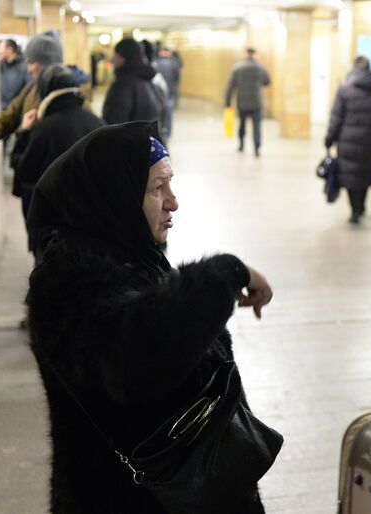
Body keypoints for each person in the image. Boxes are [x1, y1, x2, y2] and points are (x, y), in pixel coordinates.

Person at [26, 121, 280, 513]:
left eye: (170, 184)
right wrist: (226, 272)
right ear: (116, 195)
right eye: (157, 188)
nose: (173, 202)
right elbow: (141, 353)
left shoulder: (134, 256)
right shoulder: (67, 283)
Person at [11, 64, 105, 255]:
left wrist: (24, 132)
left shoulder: (44, 129)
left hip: (51, 229)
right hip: (92, 225)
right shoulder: (97, 123)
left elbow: (24, 171)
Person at [325, 55, 371, 224]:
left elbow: (336, 118)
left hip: (347, 140)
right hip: (369, 140)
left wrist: (330, 138)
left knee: (349, 175)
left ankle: (354, 209)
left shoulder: (343, 90)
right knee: (365, 173)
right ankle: (361, 205)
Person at [0, 31, 63, 144]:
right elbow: (7, 120)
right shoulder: (31, 89)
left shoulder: (73, 97)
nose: (29, 69)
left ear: (47, 64)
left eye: (32, 62)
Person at [102, 38, 163, 126]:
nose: (112, 59)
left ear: (123, 57)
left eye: (115, 55)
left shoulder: (123, 85)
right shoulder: (148, 80)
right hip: (145, 133)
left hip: (129, 134)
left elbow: (115, 121)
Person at [225, 48, 270, 156]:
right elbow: (267, 81)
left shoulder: (237, 67)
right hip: (256, 102)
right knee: (256, 126)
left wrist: (228, 102)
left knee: (242, 124)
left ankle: (241, 144)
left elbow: (230, 86)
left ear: (245, 55)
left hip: (242, 102)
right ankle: (257, 148)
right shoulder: (260, 67)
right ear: (255, 55)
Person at [155, 46, 182, 138]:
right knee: (169, 112)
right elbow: (177, 78)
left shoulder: (156, 62)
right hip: (170, 91)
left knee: (159, 112)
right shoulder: (174, 63)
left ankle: (160, 130)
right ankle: (167, 132)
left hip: (159, 92)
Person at [0, 39, 29, 111]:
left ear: (9, 50)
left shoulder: (25, 67)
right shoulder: (1, 66)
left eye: (0, 47)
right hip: (3, 110)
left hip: (16, 111)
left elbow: (28, 91)